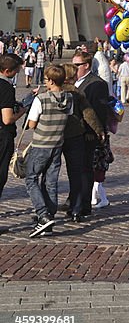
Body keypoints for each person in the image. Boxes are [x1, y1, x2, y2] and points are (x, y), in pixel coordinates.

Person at [24, 64, 73, 237]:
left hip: (41, 145)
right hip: (57, 144)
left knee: (31, 179)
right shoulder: (69, 98)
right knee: (50, 182)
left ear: (51, 81)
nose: (45, 82)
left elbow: (31, 124)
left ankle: (43, 214)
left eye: (46, 79)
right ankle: (49, 219)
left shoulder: (41, 99)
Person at [61, 62, 105, 225]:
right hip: (74, 135)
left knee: (49, 174)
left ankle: (46, 211)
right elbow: (89, 114)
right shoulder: (77, 93)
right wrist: (99, 130)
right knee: (77, 172)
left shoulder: (49, 92)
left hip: (54, 137)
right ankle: (76, 208)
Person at [72, 51, 110, 216]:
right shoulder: (75, 82)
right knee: (76, 169)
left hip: (88, 133)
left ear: (86, 65)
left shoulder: (97, 84)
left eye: (76, 65)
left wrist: (95, 132)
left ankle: (83, 204)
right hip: (75, 133)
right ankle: (74, 200)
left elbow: (99, 111)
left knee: (85, 169)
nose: (73, 68)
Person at [0, 55, 29, 218]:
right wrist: (23, 110)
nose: (19, 72)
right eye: (17, 70)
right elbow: (7, 118)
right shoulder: (5, 87)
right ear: (7, 71)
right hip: (2, 136)